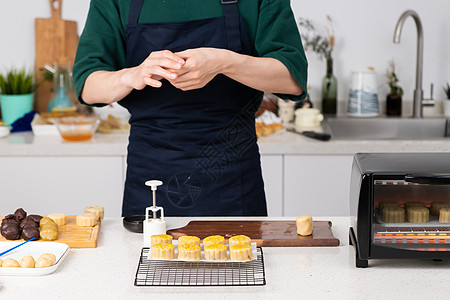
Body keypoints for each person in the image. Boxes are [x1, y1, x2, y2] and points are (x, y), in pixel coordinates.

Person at [73, 0, 308, 217]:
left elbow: (293, 80)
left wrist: (224, 62)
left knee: (238, 262)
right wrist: (132, 75)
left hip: (233, 181)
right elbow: (87, 85)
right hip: (150, 178)